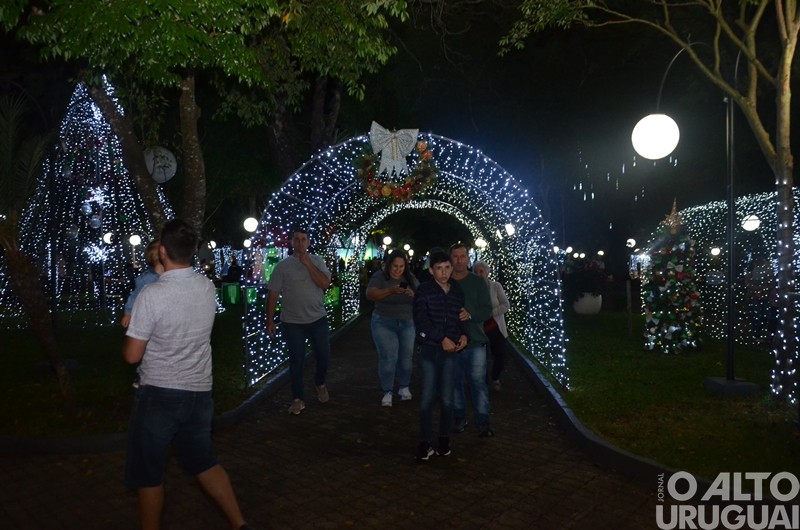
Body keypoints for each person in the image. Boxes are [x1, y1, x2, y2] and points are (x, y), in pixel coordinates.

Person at [123, 219, 250, 530]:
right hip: (199, 393)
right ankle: (240, 524)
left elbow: (132, 356)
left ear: (163, 251)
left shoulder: (152, 295)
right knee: (204, 462)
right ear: (193, 252)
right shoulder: (207, 288)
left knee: (149, 474)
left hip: (160, 394)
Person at [266, 228, 332, 415]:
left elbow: (325, 284)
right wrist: (269, 320)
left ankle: (320, 383)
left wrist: (308, 264)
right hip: (292, 322)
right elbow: (273, 294)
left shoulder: (318, 261)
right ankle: (298, 398)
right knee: (296, 361)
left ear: (309, 242)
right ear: (291, 242)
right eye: (296, 239)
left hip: (317, 319)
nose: (300, 243)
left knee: (324, 357)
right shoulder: (283, 266)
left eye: (304, 239)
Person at [412, 248, 468, 461]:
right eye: (439, 268)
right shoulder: (424, 291)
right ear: (431, 270)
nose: (443, 273)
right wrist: (440, 339)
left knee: (447, 397)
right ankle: (424, 441)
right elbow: (421, 321)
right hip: (429, 350)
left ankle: (444, 439)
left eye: (447, 268)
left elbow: (459, 318)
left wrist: (464, 336)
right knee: (427, 397)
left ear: (451, 268)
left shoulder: (457, 291)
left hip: (451, 351)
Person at [449, 243, 494, 437]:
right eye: (455, 256)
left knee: (477, 383)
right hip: (452, 342)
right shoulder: (445, 281)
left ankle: (483, 421)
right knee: (455, 382)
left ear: (468, 258)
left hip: (475, 341)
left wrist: (471, 314)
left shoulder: (477, 282)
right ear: (451, 258)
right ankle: (460, 417)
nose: (459, 260)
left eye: (462, 256)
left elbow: (487, 309)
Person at [366, 249, 418, 407]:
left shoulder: (410, 278)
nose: (398, 270)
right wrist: (390, 290)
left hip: (407, 321)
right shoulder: (380, 277)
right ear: (389, 265)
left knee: (406, 358)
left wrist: (413, 295)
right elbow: (370, 294)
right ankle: (387, 391)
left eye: (401, 266)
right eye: (395, 266)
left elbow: (422, 297)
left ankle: (404, 387)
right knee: (388, 358)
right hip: (384, 320)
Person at [472, 261, 511, 391]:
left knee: (501, 354)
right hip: (480, 328)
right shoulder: (473, 289)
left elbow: (505, 304)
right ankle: (482, 382)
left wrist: (490, 313)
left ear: (487, 272)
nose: (479, 274)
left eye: (481, 271)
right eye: (476, 272)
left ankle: (495, 376)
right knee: (481, 356)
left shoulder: (495, 286)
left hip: (496, 327)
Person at [120, 240, 163, 329]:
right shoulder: (147, 279)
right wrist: (128, 313)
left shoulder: (170, 275)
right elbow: (135, 296)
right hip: (149, 315)